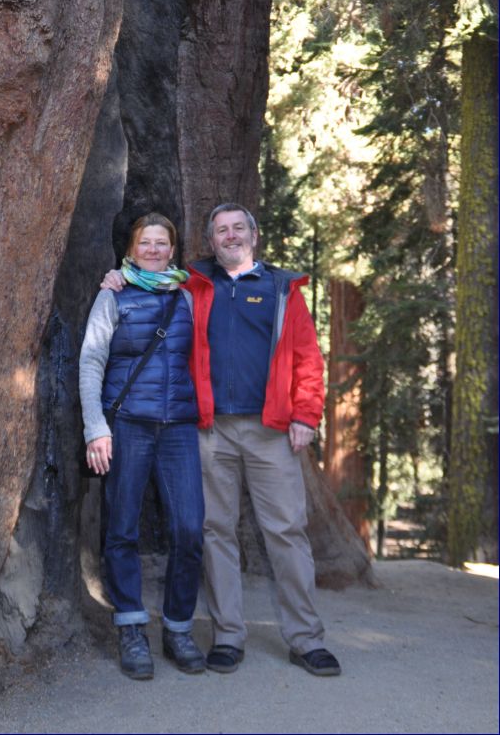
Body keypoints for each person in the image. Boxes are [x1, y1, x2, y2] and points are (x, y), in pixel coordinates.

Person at [102, 202, 341, 677]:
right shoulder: (194, 284)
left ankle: (306, 639)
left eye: (238, 228)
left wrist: (306, 415)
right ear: (210, 241)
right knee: (215, 533)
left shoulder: (281, 288)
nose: (230, 236)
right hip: (208, 430)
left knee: (286, 532)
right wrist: (117, 279)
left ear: (254, 234)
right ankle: (228, 635)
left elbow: (307, 357)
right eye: (220, 231)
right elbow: (147, 277)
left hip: (272, 429)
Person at [79, 212, 206, 680]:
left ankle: (177, 627)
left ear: (172, 250)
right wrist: (96, 427)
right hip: (127, 424)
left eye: (161, 243)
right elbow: (91, 360)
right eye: (144, 243)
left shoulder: (190, 297)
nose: (153, 250)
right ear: (131, 250)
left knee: (190, 529)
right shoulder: (112, 295)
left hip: (178, 427)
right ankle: (131, 627)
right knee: (122, 530)